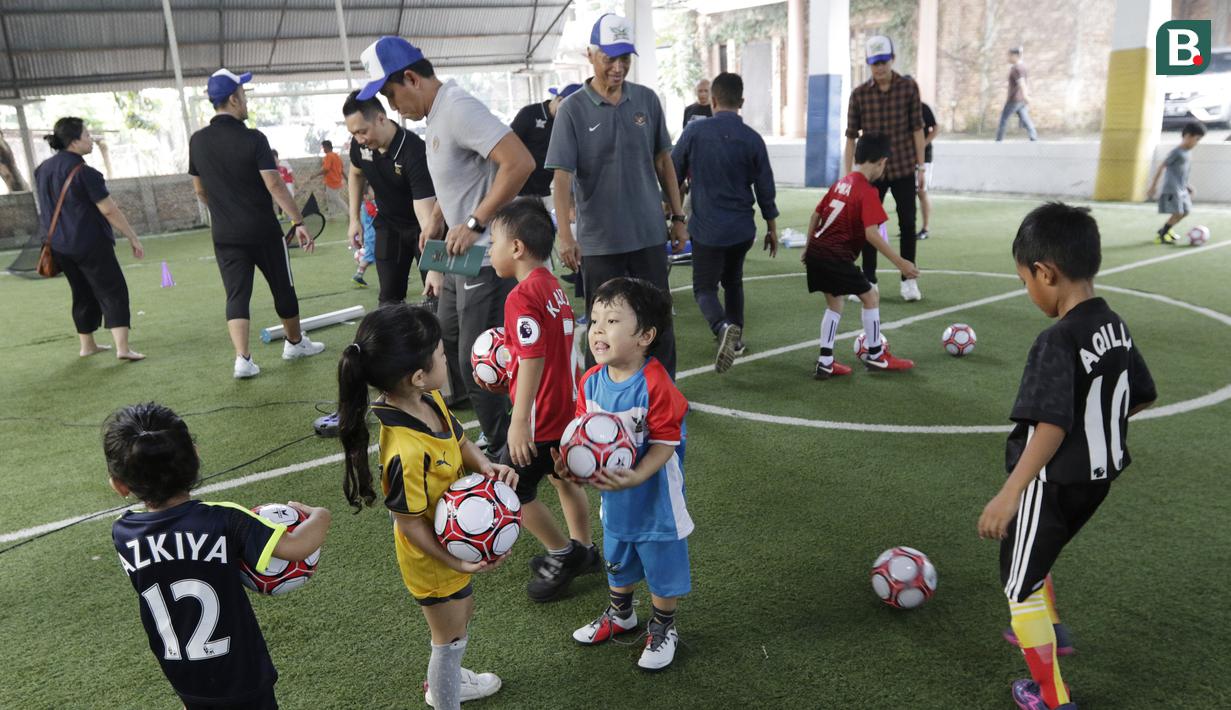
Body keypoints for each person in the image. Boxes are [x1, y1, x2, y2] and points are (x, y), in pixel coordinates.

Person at [977, 203, 1156, 710]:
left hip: (1049, 483)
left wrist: (1010, 492)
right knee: (1038, 550)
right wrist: (1097, 431)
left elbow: (1051, 423)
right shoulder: (1114, 325)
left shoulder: (1055, 339)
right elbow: (1141, 392)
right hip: (1097, 479)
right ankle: (1056, 627)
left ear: (1046, 272)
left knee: (1019, 589)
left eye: (1025, 280)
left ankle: (1052, 698)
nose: (1028, 291)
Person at [356, 35, 535, 456]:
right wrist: (437, 219)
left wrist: (475, 222)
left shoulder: (456, 108)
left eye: (389, 92)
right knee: (450, 347)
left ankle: (509, 446)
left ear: (411, 78)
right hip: (459, 258)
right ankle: (500, 432)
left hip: (485, 256)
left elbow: (519, 161)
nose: (390, 104)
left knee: (482, 360)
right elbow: (458, 178)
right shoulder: (434, 118)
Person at [337, 304, 517, 709]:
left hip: (453, 545)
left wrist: (487, 466)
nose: (445, 358)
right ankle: (444, 695)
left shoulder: (428, 397)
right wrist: (454, 563)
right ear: (416, 375)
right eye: (439, 354)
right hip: (431, 558)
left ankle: (448, 680)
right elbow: (408, 525)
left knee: (462, 613)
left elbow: (461, 441)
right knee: (448, 640)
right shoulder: (404, 449)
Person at [105, 402, 331, 709]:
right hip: (242, 675)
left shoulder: (123, 532)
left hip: (183, 674)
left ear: (119, 485)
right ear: (196, 456)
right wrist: (321, 515)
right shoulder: (223, 519)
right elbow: (296, 547)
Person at [550, 277, 691, 671]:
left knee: (661, 568)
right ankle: (621, 615)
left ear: (645, 335)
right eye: (594, 319)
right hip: (614, 500)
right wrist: (571, 466)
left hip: (655, 501)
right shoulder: (590, 382)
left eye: (612, 321)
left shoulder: (655, 384)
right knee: (617, 557)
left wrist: (638, 475)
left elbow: (666, 442)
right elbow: (581, 438)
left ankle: (664, 626)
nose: (597, 329)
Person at [546, 13, 689, 377]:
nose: (618, 66)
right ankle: (605, 402)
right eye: (610, 57)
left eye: (625, 58)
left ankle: (663, 392)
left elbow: (663, 161)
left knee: (657, 320)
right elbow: (561, 179)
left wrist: (678, 217)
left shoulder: (647, 100)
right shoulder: (573, 110)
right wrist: (565, 237)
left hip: (648, 235)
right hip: (600, 243)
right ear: (590, 55)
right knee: (603, 329)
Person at [484, 198, 599, 602]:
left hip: (539, 419)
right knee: (563, 478)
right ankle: (584, 549)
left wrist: (519, 421)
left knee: (505, 485)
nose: (488, 250)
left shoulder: (521, 296)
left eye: (493, 242)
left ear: (516, 248)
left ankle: (561, 554)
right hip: (565, 411)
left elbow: (532, 356)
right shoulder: (554, 288)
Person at [189, 68, 325, 379]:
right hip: (262, 229)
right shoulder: (254, 138)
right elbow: (274, 185)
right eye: (244, 94)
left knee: (236, 294)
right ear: (234, 99)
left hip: (224, 233)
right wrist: (298, 220)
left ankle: (243, 360)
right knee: (282, 285)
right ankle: (294, 343)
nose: (246, 100)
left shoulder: (197, 141)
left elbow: (199, 190)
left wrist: (224, 211)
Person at [670, 72, 779, 374]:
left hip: (707, 228)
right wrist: (771, 227)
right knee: (733, 281)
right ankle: (737, 338)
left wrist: (672, 212)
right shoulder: (754, 139)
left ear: (713, 101)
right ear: (741, 102)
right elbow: (765, 188)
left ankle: (721, 328)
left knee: (704, 288)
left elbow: (672, 171)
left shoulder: (694, 132)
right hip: (742, 228)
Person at [804, 134, 918, 379]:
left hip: (816, 252)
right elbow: (871, 234)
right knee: (871, 296)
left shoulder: (841, 183)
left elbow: (815, 215)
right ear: (881, 162)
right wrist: (901, 263)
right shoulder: (867, 191)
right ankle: (877, 355)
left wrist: (807, 247)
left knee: (835, 304)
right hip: (835, 256)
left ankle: (825, 362)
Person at [35, 117, 145, 362]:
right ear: (74, 141)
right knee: (113, 289)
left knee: (81, 291)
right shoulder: (85, 172)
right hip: (89, 243)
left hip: (58, 245)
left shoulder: (42, 169)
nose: (91, 139)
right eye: (87, 135)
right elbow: (108, 209)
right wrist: (132, 236)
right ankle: (123, 348)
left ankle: (88, 346)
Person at [844, 35, 926, 303]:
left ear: (892, 59)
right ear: (868, 64)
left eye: (882, 61)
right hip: (871, 173)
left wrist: (921, 166)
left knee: (908, 222)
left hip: (902, 167)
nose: (878, 68)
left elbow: (917, 129)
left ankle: (909, 280)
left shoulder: (908, 88)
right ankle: (868, 280)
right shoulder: (859, 95)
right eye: (873, 63)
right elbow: (850, 137)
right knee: (869, 226)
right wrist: (849, 176)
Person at [342, 91, 441, 305]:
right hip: (388, 225)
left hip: (422, 228)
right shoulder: (361, 146)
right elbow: (355, 173)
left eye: (362, 131)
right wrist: (354, 220)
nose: (359, 139)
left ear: (381, 118)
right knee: (388, 300)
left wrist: (435, 267)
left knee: (437, 295)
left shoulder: (413, 151)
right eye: (353, 133)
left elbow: (426, 217)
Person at [510, 84, 582, 210]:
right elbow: (509, 146)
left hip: (544, 191)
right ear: (559, 99)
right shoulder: (529, 113)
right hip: (517, 191)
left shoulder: (567, 124)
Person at [1146, 121, 1205, 245]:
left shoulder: (1187, 152)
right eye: (1197, 139)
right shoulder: (1176, 152)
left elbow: (1182, 173)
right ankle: (1162, 235)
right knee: (1179, 212)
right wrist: (1153, 186)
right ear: (1188, 136)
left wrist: (1188, 186)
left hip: (1182, 188)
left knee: (1186, 211)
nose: (1197, 142)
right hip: (1172, 188)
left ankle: (1165, 230)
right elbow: (1161, 166)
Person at [995, 47, 1038, 142]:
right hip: (1020, 99)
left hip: (1014, 99)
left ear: (1015, 56)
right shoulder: (1022, 67)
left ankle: (998, 140)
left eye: (1009, 55)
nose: (1008, 58)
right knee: (1025, 118)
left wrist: (1026, 96)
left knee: (1004, 119)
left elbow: (1022, 83)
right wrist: (1025, 96)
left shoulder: (1017, 68)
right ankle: (1033, 137)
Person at [916, 101, 939, 240]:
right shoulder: (899, 106)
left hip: (924, 157)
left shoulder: (923, 108)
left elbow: (935, 128)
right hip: (906, 156)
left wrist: (922, 144)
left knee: (922, 191)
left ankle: (925, 228)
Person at [314, 140, 348, 214]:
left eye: (323, 148)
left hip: (332, 181)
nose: (323, 150)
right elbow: (342, 170)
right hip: (337, 181)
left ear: (326, 147)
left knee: (335, 199)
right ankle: (332, 214)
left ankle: (348, 212)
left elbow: (326, 169)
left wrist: (315, 175)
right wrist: (346, 179)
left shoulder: (328, 156)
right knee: (330, 198)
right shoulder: (337, 156)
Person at [353, 194, 377, 286]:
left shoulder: (364, 205)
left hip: (369, 236)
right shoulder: (369, 205)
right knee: (383, 256)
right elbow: (376, 213)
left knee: (368, 256)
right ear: (365, 196)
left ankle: (358, 275)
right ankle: (394, 275)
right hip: (374, 236)